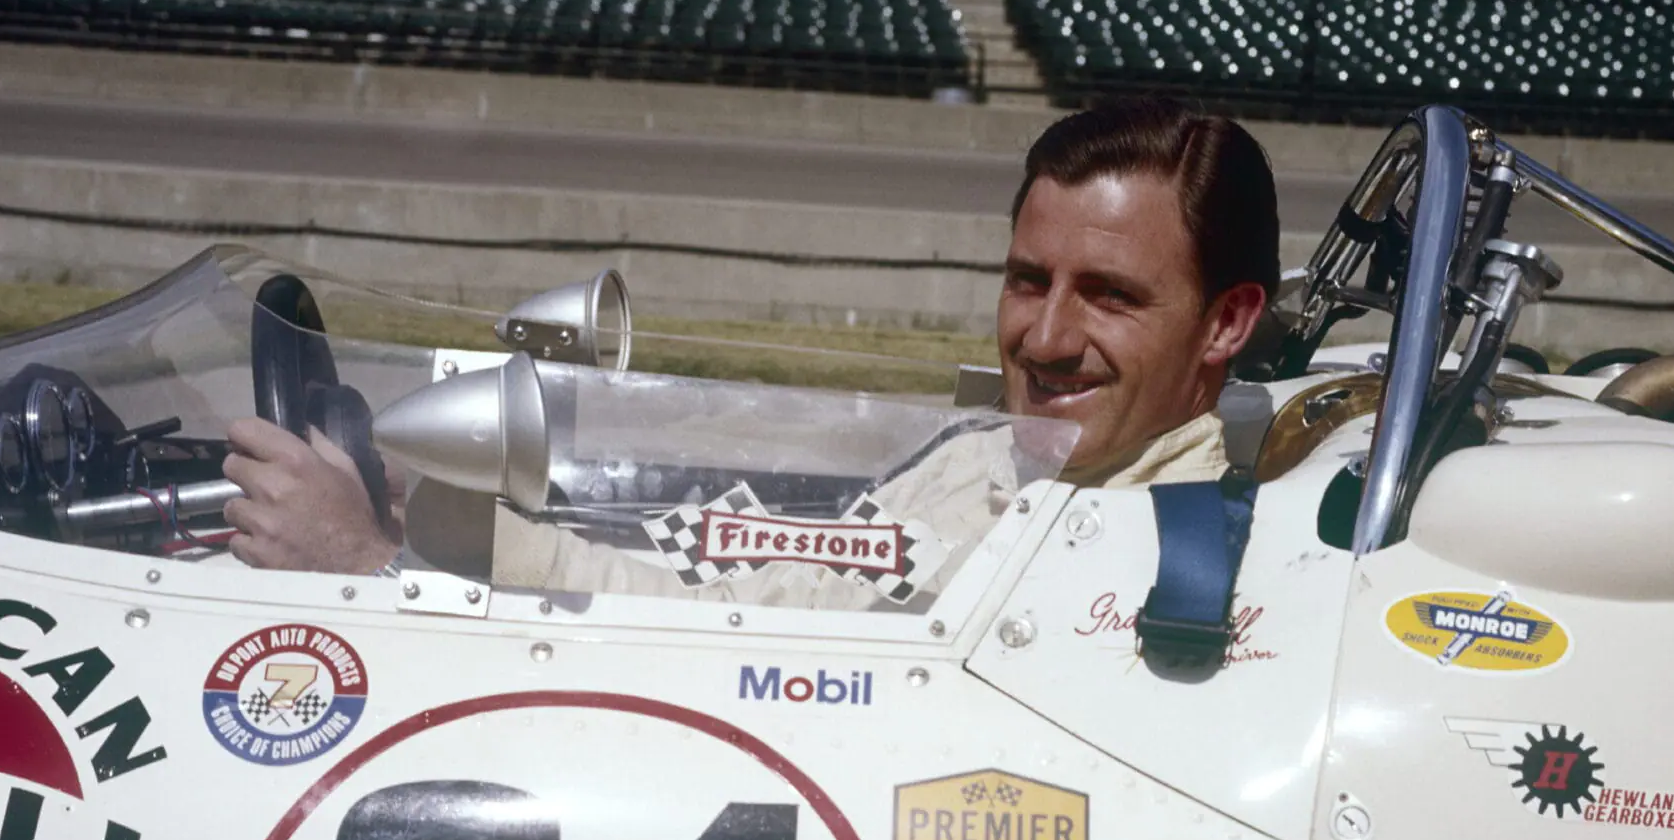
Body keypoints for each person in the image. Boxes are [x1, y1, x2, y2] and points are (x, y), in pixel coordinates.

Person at [221, 93, 1279, 583]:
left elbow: (753, 669)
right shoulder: (1002, 460)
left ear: (1226, 322)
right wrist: (435, 528)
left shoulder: (1144, 555)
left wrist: (363, 570)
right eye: (1026, 280)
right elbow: (765, 594)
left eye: (1109, 296)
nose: (1045, 337)